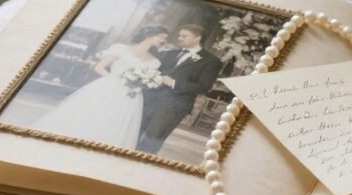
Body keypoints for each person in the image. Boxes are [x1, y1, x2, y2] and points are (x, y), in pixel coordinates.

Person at [28, 27, 170, 149]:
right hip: (109, 87)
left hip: (130, 96)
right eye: (162, 37)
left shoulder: (155, 61)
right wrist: (115, 79)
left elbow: (148, 79)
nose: (163, 41)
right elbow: (99, 67)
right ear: (150, 35)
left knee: (115, 125)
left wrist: (143, 81)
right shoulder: (121, 49)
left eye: (165, 39)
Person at [137, 24, 224, 154]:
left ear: (197, 38)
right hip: (148, 100)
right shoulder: (168, 54)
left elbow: (203, 87)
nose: (180, 38)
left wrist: (173, 83)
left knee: (151, 142)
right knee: (132, 133)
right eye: (179, 35)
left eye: (184, 36)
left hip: (174, 106)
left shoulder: (211, 61)